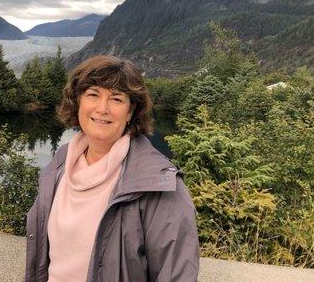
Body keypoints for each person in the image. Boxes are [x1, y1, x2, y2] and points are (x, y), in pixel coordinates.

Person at [24, 55, 199, 282]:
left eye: (116, 99)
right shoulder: (58, 166)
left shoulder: (159, 184)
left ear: (130, 112)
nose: (102, 108)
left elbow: (177, 275)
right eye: (93, 94)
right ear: (78, 102)